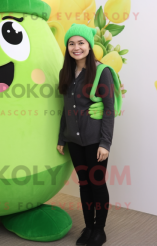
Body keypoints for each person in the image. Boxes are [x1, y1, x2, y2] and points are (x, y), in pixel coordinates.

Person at [57, 24, 117, 246]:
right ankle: (88, 227)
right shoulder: (66, 73)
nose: (76, 47)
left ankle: (99, 230)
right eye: (71, 43)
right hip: (74, 141)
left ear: (89, 46)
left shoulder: (102, 72)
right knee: (84, 184)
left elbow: (109, 110)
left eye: (81, 43)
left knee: (97, 184)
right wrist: (62, 138)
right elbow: (66, 109)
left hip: (95, 141)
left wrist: (105, 143)